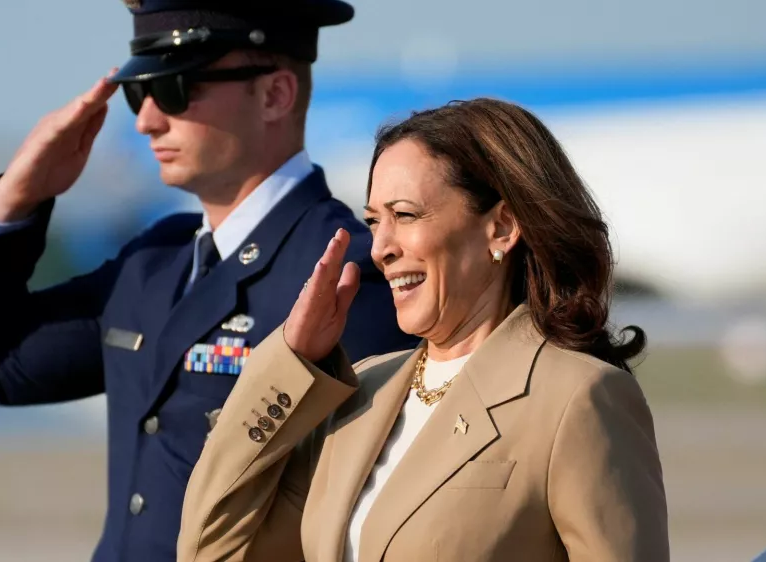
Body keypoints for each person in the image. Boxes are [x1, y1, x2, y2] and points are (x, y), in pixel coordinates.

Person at [0, 1, 418, 560]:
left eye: (177, 89)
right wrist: (14, 199)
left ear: (275, 94)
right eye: (140, 93)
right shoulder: (153, 265)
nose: (146, 120)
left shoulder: (346, 277)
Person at [176, 98, 670, 562]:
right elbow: (211, 550)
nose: (379, 248)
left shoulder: (577, 398)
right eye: (374, 221)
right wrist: (290, 364)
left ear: (501, 227)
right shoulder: (361, 394)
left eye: (405, 216)